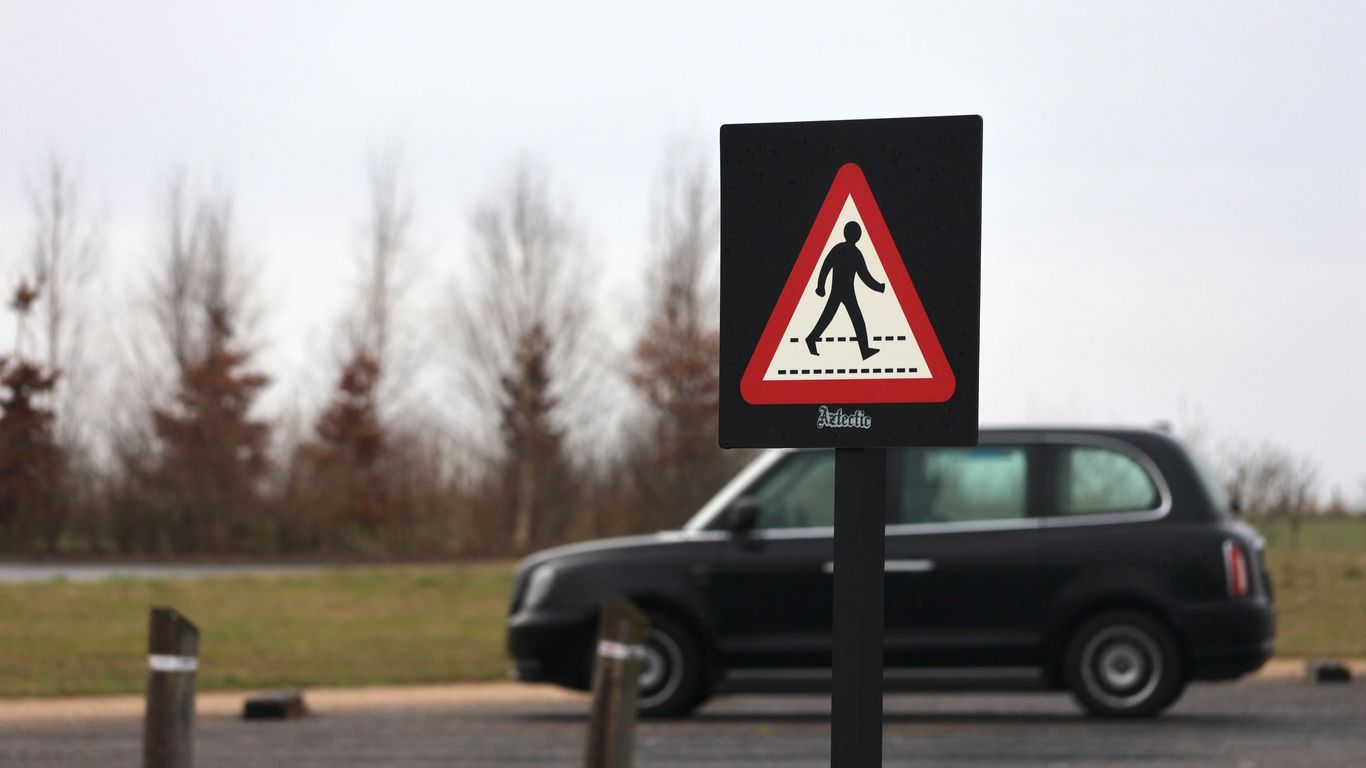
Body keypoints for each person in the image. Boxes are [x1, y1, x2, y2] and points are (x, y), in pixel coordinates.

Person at [805, 221, 885, 359]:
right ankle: (864, 350)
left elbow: (863, 275)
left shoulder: (842, 249)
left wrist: (821, 286)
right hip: (842, 292)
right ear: (857, 235)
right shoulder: (853, 252)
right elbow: (827, 266)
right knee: (848, 319)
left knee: (838, 318)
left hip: (844, 292)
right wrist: (879, 287)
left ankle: (864, 350)